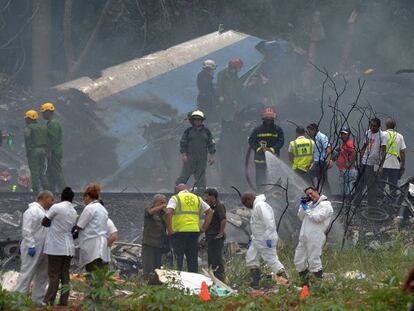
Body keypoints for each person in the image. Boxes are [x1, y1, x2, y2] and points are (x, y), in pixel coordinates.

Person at [14, 191, 55, 306]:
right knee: (27, 273)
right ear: (45, 198)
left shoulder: (45, 212)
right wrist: (31, 245)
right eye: (51, 199)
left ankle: (37, 300)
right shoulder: (32, 211)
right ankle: (17, 301)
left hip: (44, 248)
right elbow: (27, 230)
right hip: (33, 248)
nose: (53, 202)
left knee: (43, 275)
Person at [241, 192, 288, 289]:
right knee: (251, 258)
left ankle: (285, 282)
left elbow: (269, 222)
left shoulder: (260, 206)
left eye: (245, 203)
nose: (246, 206)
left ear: (249, 199)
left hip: (265, 239)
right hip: (257, 240)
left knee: (272, 260)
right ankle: (255, 283)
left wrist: (268, 238)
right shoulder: (256, 207)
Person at [41, 187, 77, 306]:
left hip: (56, 247)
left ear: (62, 196)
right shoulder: (74, 212)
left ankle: (49, 301)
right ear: (72, 198)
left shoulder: (56, 207)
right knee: (65, 274)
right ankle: (63, 301)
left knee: (54, 274)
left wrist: (54, 223)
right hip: (68, 247)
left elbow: (44, 222)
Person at [165, 184, 213, 273]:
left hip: (179, 232)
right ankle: (193, 280)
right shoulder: (197, 198)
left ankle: (177, 281)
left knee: (178, 258)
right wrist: (203, 228)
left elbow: (168, 213)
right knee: (192, 258)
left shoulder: (175, 198)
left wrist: (170, 230)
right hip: (194, 232)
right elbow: (210, 212)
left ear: (177, 191)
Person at [294, 187, 333, 285]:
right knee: (298, 260)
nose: (310, 196)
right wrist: (302, 206)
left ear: (316, 192)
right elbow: (300, 216)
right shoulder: (310, 205)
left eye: (311, 193)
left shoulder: (325, 204)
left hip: (316, 236)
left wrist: (307, 210)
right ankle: (306, 283)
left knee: (314, 260)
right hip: (304, 236)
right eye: (308, 195)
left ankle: (318, 285)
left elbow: (318, 218)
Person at [176, 110, 216, 195]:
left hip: (202, 159)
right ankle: (177, 195)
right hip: (190, 158)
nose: (197, 121)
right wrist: (183, 154)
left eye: (199, 119)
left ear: (202, 120)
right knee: (183, 177)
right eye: (195, 119)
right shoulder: (188, 131)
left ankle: (200, 197)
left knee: (201, 180)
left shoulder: (207, 132)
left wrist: (212, 156)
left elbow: (211, 143)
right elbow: (183, 143)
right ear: (192, 121)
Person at [74, 183, 109, 272]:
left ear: (88, 197)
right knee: (100, 272)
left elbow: (79, 226)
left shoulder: (90, 208)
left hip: (91, 245)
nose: (84, 201)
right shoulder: (103, 209)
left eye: (84, 198)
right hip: (102, 244)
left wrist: (71, 235)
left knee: (92, 271)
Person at [353, 118, 387, 207]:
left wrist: (380, 166)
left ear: (379, 126)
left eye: (374, 126)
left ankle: (371, 206)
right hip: (364, 162)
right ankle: (356, 203)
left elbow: (383, 151)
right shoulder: (368, 132)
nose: (372, 127)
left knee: (371, 186)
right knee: (359, 184)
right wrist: (359, 160)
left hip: (373, 164)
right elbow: (364, 146)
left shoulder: (382, 136)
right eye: (371, 125)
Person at [248, 107, 284, 189]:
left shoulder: (278, 130)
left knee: (275, 177)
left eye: (270, 119)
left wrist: (272, 149)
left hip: (273, 160)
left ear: (273, 119)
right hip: (260, 160)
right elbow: (251, 141)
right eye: (267, 119)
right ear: (263, 118)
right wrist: (258, 149)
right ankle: (260, 192)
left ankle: (275, 193)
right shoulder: (257, 130)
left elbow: (281, 142)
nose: (269, 121)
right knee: (260, 178)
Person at [41, 102, 66, 193]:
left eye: (43, 112)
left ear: (48, 112)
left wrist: (50, 151)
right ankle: (51, 191)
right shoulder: (50, 123)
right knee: (50, 172)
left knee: (57, 171)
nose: (42, 114)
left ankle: (64, 192)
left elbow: (53, 140)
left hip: (54, 152)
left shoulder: (53, 124)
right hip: (53, 151)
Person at [142, 194, 168, 280]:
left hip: (159, 243)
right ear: (155, 202)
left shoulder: (163, 213)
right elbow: (150, 212)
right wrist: (161, 206)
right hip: (149, 242)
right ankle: (147, 281)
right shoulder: (149, 209)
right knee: (148, 266)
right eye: (161, 202)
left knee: (157, 267)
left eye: (164, 202)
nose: (163, 204)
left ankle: (156, 283)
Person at [204, 188, 226, 282]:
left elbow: (223, 220)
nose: (205, 198)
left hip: (216, 236)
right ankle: (213, 279)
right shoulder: (209, 207)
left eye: (207, 196)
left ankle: (220, 279)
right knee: (211, 259)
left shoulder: (219, 206)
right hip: (210, 236)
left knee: (217, 259)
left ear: (213, 196)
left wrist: (221, 233)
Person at [24, 109, 48, 193]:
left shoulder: (29, 128)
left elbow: (27, 138)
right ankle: (46, 189)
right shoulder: (43, 127)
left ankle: (35, 190)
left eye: (26, 118)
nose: (25, 120)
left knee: (34, 171)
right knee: (42, 171)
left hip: (34, 151)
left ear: (29, 119)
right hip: (43, 150)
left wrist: (29, 149)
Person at [381, 119, 406, 191]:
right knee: (393, 187)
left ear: (386, 126)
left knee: (380, 185)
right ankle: (392, 201)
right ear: (394, 126)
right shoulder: (400, 136)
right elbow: (403, 152)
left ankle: (379, 200)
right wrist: (402, 166)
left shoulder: (382, 134)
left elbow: (380, 150)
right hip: (395, 165)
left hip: (384, 165)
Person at [306, 123, 332, 194]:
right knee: (322, 180)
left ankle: (314, 192)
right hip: (318, 162)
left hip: (321, 162)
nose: (309, 133)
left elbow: (328, 148)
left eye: (309, 131)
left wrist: (329, 159)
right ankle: (328, 195)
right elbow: (316, 152)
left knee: (309, 176)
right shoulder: (315, 138)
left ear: (314, 130)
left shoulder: (321, 137)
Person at [335, 127, 357, 197]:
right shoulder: (344, 144)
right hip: (344, 170)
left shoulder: (349, 143)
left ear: (349, 135)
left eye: (345, 134)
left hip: (349, 171)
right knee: (344, 192)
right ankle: (347, 205)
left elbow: (354, 152)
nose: (343, 136)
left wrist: (350, 163)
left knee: (348, 192)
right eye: (342, 134)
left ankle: (349, 205)